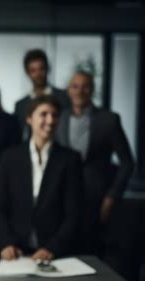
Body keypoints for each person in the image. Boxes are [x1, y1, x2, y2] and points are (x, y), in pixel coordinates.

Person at [55, 71, 135, 255]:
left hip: (96, 199)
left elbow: (127, 162)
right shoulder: (58, 119)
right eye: (75, 86)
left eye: (85, 86)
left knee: (92, 252)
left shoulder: (109, 120)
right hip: (63, 199)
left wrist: (112, 196)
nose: (80, 91)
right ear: (68, 90)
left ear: (92, 90)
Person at [0, 95, 83, 261]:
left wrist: (52, 247)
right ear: (29, 118)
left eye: (55, 115)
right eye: (43, 114)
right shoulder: (9, 157)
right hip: (16, 252)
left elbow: (74, 214)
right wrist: (7, 243)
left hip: (55, 253)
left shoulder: (71, 159)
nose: (50, 121)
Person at [14, 49, 70, 140]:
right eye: (33, 70)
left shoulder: (64, 97)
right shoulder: (20, 105)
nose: (38, 74)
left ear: (47, 69)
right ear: (27, 73)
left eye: (41, 69)